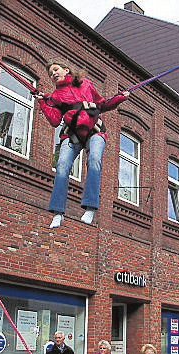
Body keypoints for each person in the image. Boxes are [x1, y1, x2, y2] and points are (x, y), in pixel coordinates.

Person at [35, 61, 129, 229]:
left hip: (95, 130)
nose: (53, 74)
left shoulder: (85, 84)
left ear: (66, 70)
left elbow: (102, 105)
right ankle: (58, 212)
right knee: (62, 165)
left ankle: (90, 207)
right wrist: (43, 103)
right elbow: (55, 121)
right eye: (50, 73)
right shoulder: (55, 97)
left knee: (94, 159)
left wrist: (120, 98)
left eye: (56, 70)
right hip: (72, 134)